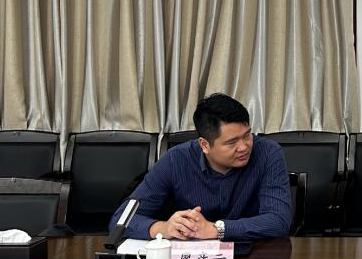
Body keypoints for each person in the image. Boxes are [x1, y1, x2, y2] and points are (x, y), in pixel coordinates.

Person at [109, 93, 291, 241]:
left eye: (247, 135)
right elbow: (120, 221)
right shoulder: (175, 160)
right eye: (232, 142)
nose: (244, 147)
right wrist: (164, 228)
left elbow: (279, 220)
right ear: (204, 145)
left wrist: (215, 229)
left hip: (253, 256)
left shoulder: (268, 153)